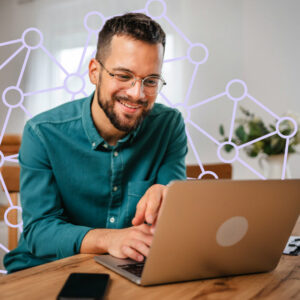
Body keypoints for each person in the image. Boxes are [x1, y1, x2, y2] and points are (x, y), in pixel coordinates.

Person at [4, 13, 187, 273]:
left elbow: (171, 216)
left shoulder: (169, 126)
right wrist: (109, 239)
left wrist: (169, 197)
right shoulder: (42, 133)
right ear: (94, 72)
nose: (138, 93)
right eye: (123, 76)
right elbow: (39, 232)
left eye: (151, 81)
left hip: (127, 268)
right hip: (46, 269)